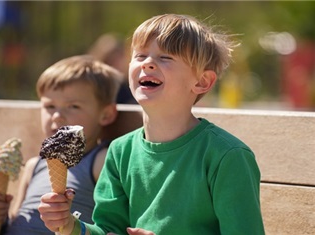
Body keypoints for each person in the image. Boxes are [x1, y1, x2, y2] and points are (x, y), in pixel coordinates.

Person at [38, 14, 265, 235]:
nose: (148, 63)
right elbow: (109, 230)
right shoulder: (119, 152)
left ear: (202, 81)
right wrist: (70, 226)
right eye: (140, 55)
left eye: (165, 57)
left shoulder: (227, 156)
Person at [0, 55, 123, 234]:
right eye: (49, 106)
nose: (56, 116)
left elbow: (112, 222)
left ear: (106, 114)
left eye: (73, 106)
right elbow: (17, 219)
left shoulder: (100, 160)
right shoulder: (34, 165)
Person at [88, 33, 136, 104]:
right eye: (110, 59)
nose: (115, 62)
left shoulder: (129, 83)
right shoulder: (93, 84)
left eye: (118, 57)